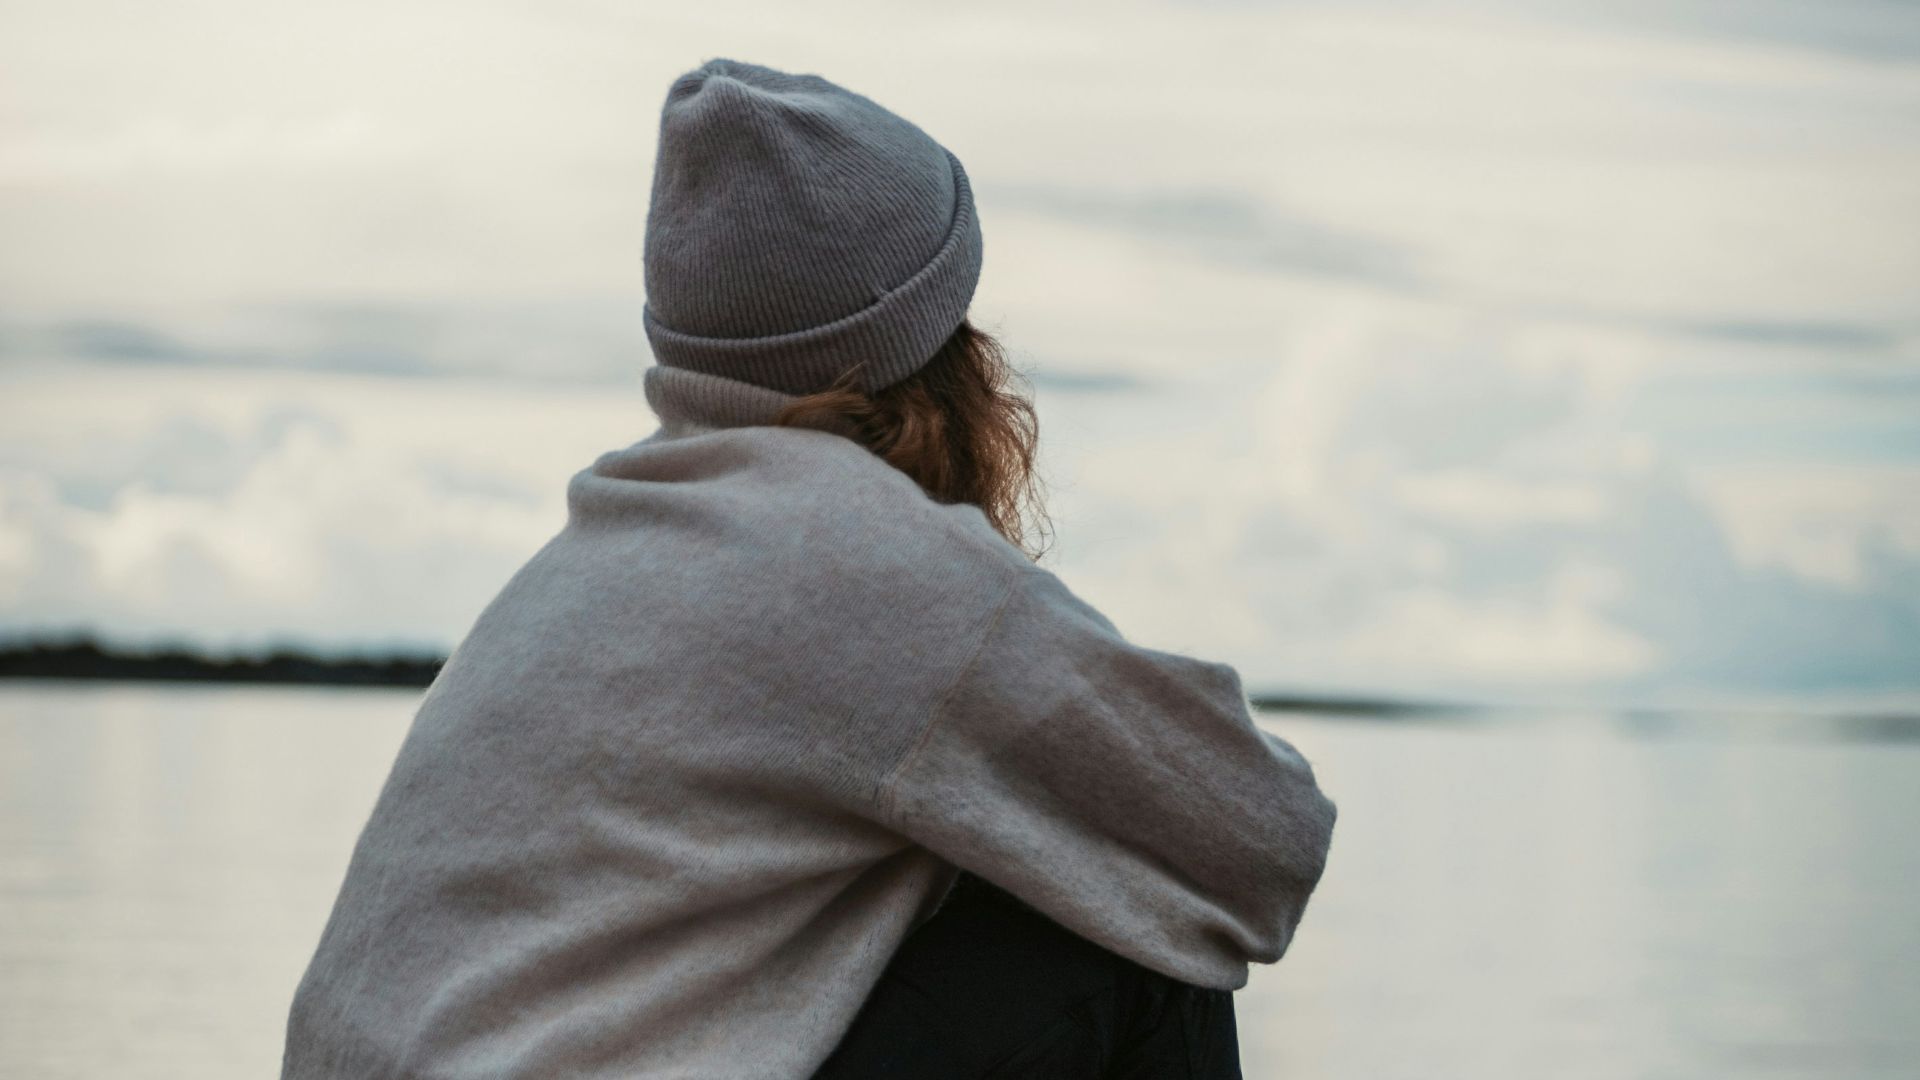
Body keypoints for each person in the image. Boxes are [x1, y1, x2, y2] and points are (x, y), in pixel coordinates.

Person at [280, 57, 1338, 1080]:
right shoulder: (862, 561)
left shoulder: (591, 554)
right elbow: (1257, 838)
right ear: (932, 347)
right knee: (1137, 930)